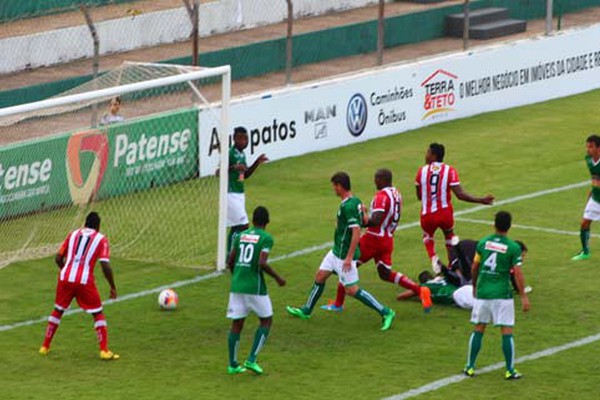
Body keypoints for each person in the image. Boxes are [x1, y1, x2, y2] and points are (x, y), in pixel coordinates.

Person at [286, 172, 396, 331]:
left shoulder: (349, 206)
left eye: (334, 186)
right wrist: (364, 211)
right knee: (320, 276)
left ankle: (386, 312)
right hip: (336, 251)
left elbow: (357, 232)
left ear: (339, 186)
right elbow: (365, 221)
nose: (333, 189)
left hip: (344, 255)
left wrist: (349, 257)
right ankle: (306, 310)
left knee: (352, 290)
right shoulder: (355, 201)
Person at [321, 168, 432, 313]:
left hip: (373, 239)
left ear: (381, 180)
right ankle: (420, 290)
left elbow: (375, 220)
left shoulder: (381, 196)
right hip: (387, 239)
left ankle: (338, 303)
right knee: (384, 273)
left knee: (346, 266)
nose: (374, 182)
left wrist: (361, 217)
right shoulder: (397, 193)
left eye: (376, 179)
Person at [39, 212, 119, 360]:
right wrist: (112, 286)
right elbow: (105, 265)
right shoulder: (101, 239)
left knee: (58, 310)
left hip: (65, 278)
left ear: (85, 223)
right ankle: (104, 350)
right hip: (84, 281)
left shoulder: (73, 234)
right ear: (98, 226)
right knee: (97, 313)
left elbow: (58, 258)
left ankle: (45, 346)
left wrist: (65, 272)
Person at [463, 211, 530, 380]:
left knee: (479, 328)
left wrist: (475, 285)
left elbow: (474, 267)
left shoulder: (483, 243)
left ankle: (470, 366)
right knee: (506, 331)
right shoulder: (513, 248)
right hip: (502, 294)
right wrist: (523, 296)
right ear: (509, 226)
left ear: (494, 224)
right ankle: (510, 370)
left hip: (484, 292)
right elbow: (517, 273)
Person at [415, 143, 494, 273]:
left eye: (428, 152)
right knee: (449, 237)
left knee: (427, 236)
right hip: (445, 213)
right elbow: (460, 195)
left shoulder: (421, 171)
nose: (426, 155)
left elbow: (419, 196)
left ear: (433, 155)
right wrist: (481, 200)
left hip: (427, 214)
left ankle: (433, 257)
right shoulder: (449, 170)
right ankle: (453, 264)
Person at [226, 206, 285, 375]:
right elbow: (262, 263)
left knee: (237, 323)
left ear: (252, 221)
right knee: (266, 320)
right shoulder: (266, 238)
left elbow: (230, 260)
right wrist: (278, 278)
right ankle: (251, 359)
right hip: (255, 287)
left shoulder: (240, 236)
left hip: (237, 285)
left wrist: (237, 275)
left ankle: (233, 364)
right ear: (267, 222)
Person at [226, 127, 268, 252]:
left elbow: (246, 174)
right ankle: (232, 253)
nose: (243, 141)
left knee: (236, 227)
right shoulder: (230, 153)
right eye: (240, 138)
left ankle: (230, 254)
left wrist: (257, 162)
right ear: (234, 139)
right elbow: (219, 171)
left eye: (245, 139)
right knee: (244, 225)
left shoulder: (242, 154)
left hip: (239, 193)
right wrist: (234, 167)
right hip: (230, 193)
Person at [572, 134, 600, 260]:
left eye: (591, 147)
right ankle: (585, 251)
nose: (588, 149)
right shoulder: (588, 159)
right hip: (596, 198)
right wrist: (591, 192)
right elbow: (594, 178)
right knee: (584, 223)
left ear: (598, 148)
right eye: (587, 147)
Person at [397, 271, 474, 310]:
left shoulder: (425, 286)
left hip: (457, 296)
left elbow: (402, 296)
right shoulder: (443, 278)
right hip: (466, 288)